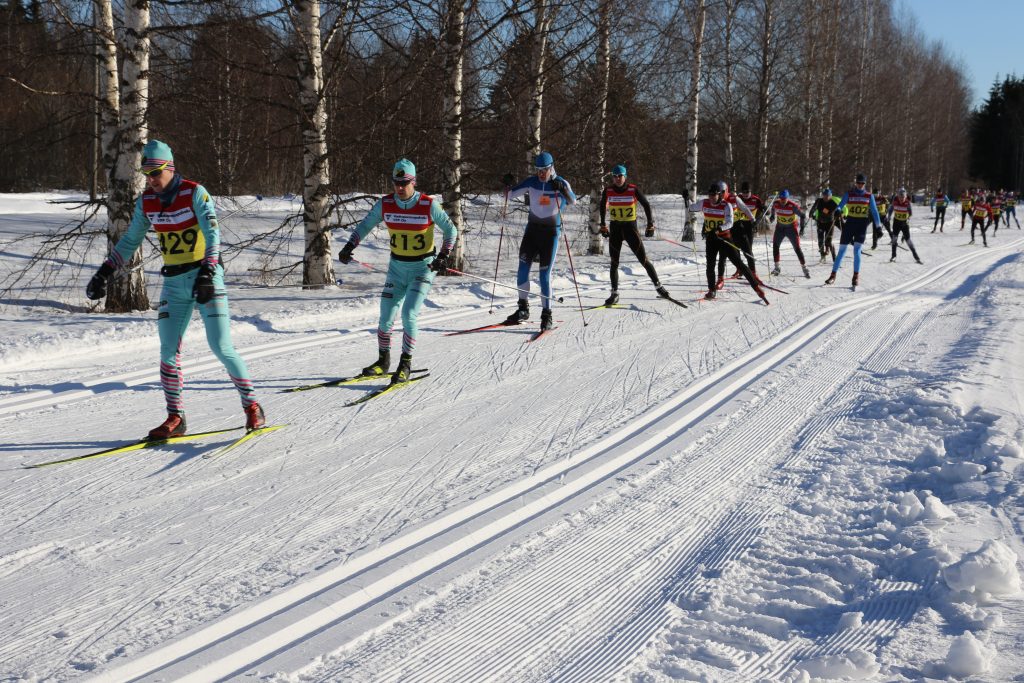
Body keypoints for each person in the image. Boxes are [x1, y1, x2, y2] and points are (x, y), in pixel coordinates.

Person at [84, 140, 265, 439]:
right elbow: (130, 241)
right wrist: (104, 272)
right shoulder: (147, 202)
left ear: (170, 168)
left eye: (155, 172)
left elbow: (213, 234)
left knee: (221, 347)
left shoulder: (195, 192)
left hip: (205, 277)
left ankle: (252, 406)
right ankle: (175, 417)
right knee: (168, 353)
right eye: (146, 173)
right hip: (174, 283)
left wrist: (208, 272)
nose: (151, 179)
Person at [338, 159, 458, 384]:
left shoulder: (428, 204)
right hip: (396, 269)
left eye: (404, 183)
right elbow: (365, 226)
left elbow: (451, 230)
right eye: (396, 183)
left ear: (413, 181)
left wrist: (443, 256)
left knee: (408, 313)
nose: (400, 188)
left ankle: (405, 363)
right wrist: (349, 246)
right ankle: (383, 362)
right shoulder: (386, 204)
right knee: (385, 318)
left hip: (423, 267)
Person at [502, 151, 577, 331]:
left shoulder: (560, 182)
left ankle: (546, 315)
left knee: (544, 275)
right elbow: (508, 196)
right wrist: (507, 184)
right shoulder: (532, 182)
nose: (541, 173)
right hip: (532, 232)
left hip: (551, 234)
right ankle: (523, 309)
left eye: (544, 170)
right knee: (522, 270)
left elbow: (573, 201)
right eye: (538, 170)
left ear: (551, 168)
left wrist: (564, 189)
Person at [597, 164, 671, 305]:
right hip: (616, 229)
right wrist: (602, 224)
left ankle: (659, 287)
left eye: (620, 176)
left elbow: (646, 204)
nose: (618, 179)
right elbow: (602, 205)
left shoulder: (633, 189)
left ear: (625, 176)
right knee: (614, 263)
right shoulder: (608, 190)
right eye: (615, 176)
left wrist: (650, 224)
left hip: (631, 229)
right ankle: (614, 293)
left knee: (643, 260)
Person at [688, 181, 768, 304]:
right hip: (711, 239)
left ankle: (756, 288)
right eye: (710, 195)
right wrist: (686, 198)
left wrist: (719, 228)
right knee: (710, 266)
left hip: (724, 238)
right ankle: (712, 290)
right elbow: (691, 208)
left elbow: (730, 222)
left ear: (719, 195)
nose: (711, 197)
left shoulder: (726, 205)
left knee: (739, 263)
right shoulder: (704, 203)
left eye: (714, 195)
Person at [825, 172, 882, 288]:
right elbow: (841, 204)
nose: (860, 185)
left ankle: (855, 276)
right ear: (855, 183)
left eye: (862, 183)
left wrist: (878, 226)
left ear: (865, 184)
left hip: (861, 225)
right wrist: (838, 210)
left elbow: (875, 212)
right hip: (850, 224)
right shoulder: (849, 194)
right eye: (858, 183)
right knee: (842, 251)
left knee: (857, 251)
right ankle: (833, 275)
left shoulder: (869, 196)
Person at [717, 181, 763, 284]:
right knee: (729, 254)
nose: (721, 194)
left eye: (722, 192)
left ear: (726, 190)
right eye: (719, 192)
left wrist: (753, 220)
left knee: (748, 251)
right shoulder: (717, 201)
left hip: (738, 226)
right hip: (726, 230)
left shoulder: (734, 198)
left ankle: (753, 274)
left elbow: (745, 208)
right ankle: (725, 276)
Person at [768, 189, 810, 277]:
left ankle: (804, 267)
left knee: (797, 248)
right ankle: (777, 268)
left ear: (787, 198)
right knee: (775, 246)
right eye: (781, 199)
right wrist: (772, 217)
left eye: (784, 199)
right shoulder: (776, 203)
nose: (782, 201)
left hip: (791, 229)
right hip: (780, 228)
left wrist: (802, 228)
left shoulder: (793, 206)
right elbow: (773, 209)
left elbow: (802, 215)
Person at [888, 187, 922, 263]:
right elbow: (890, 209)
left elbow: (910, 213)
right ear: (898, 196)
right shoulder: (895, 201)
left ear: (905, 196)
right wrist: (889, 216)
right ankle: (893, 256)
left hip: (904, 224)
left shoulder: (908, 203)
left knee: (908, 240)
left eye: (903, 197)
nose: (901, 199)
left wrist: (908, 218)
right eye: (900, 197)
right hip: (896, 222)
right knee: (894, 239)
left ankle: (916, 256)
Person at [808, 188, 841, 263]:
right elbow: (814, 207)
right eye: (824, 195)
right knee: (820, 241)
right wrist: (811, 213)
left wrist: (838, 213)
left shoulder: (832, 203)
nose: (826, 197)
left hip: (829, 224)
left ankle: (834, 258)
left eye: (827, 196)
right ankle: (822, 256)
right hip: (820, 223)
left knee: (828, 242)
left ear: (830, 196)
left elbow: (835, 210)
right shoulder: (819, 201)